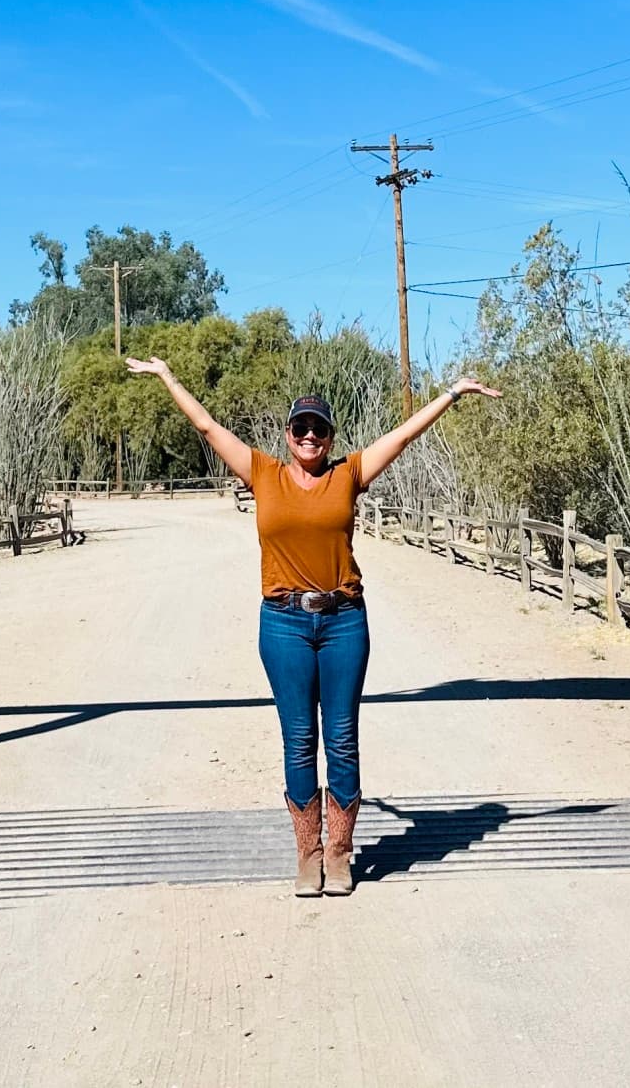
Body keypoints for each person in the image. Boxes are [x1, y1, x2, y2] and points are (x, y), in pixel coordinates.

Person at [124, 356, 501, 896]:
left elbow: (402, 436)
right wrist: (168, 377)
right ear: (287, 435)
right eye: (300, 428)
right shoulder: (263, 473)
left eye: (318, 429)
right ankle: (307, 855)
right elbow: (206, 427)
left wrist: (452, 395)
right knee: (299, 739)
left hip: (345, 620)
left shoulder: (349, 474)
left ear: (329, 437)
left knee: (342, 739)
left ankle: (341, 855)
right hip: (282, 624)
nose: (309, 436)